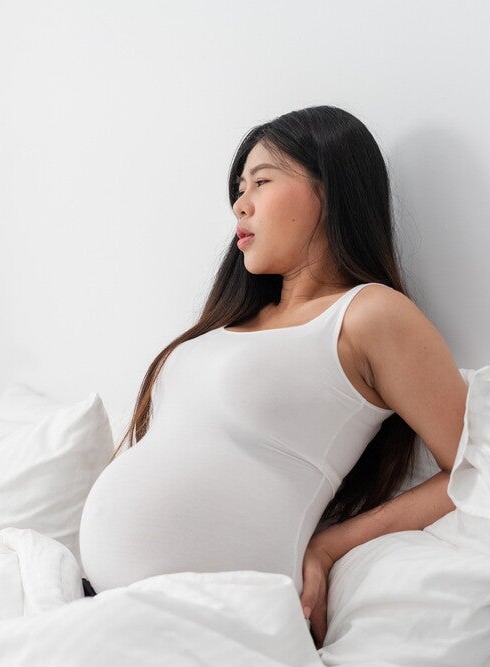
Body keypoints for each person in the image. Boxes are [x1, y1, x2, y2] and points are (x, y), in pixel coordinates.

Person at [77, 105, 468, 648]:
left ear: (329, 191)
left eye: (261, 180)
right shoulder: (228, 323)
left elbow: (472, 467)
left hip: (215, 622)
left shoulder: (367, 315)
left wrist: (330, 546)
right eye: (239, 187)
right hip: (104, 604)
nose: (241, 202)